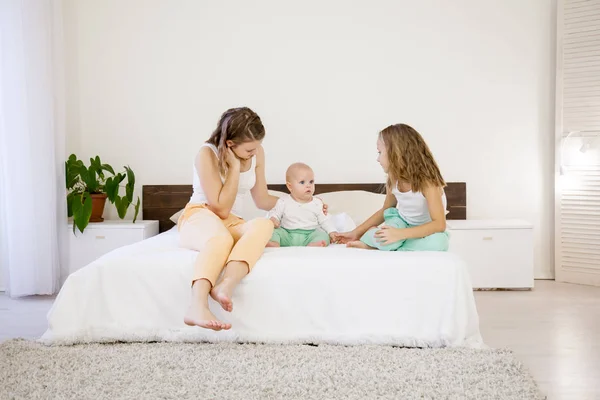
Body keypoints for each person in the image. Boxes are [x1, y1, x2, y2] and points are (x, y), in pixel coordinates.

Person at [178, 107, 278, 331]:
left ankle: (226, 284)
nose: (255, 153)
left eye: (257, 147)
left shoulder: (257, 153)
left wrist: (299, 203)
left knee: (263, 224)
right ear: (230, 144)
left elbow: (261, 199)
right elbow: (220, 208)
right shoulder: (207, 154)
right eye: (250, 149)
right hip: (200, 214)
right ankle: (197, 306)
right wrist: (233, 168)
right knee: (220, 239)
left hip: (231, 219)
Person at [335, 123, 449, 251]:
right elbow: (385, 210)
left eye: (380, 152)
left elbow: (439, 224)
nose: (377, 159)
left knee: (440, 243)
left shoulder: (428, 183)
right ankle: (381, 241)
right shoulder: (394, 180)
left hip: (425, 229)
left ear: (396, 153)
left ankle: (378, 245)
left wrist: (399, 235)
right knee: (390, 233)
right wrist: (355, 233)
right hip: (401, 222)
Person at [266, 163, 338, 248]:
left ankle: (313, 245)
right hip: (287, 234)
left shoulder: (317, 203)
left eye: (311, 182)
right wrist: (274, 219)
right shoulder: (283, 201)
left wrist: (332, 231)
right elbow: (275, 213)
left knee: (323, 235)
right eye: (302, 182)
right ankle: (274, 243)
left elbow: (324, 220)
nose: (308, 185)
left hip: (310, 235)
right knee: (273, 232)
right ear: (290, 186)